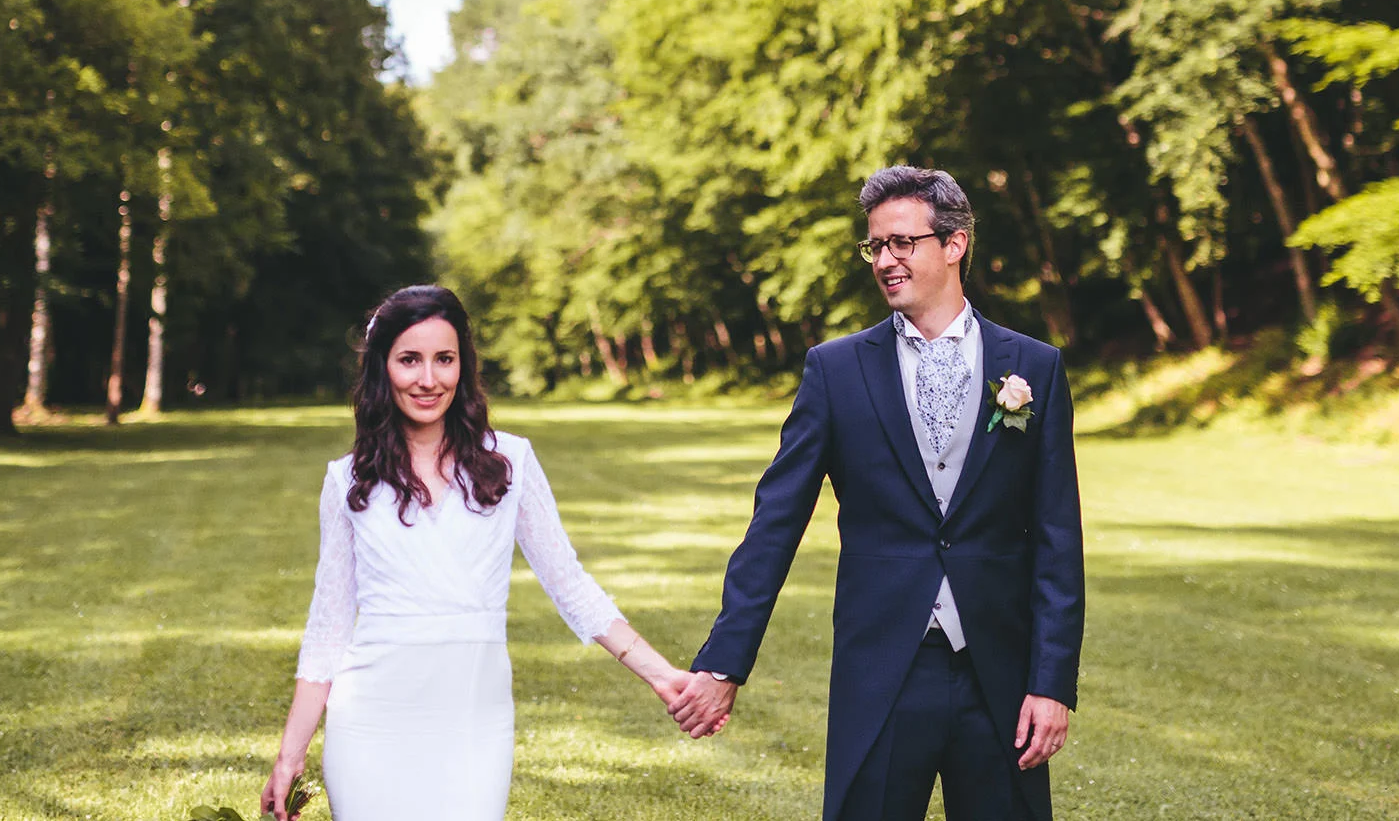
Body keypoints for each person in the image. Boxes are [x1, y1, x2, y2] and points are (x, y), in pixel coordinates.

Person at [669, 165, 1085, 821]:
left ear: (954, 244)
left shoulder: (1033, 368)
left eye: (902, 243)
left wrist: (1052, 682)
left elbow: (1059, 538)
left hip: (1000, 678)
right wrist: (725, 663)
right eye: (875, 247)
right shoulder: (834, 372)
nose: (885, 261)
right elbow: (775, 524)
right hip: (885, 670)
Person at [261, 284, 692, 820]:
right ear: (381, 368)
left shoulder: (510, 462)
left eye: (444, 359)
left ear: (463, 366)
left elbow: (570, 585)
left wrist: (660, 674)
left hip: (474, 723)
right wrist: (289, 756)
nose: (428, 379)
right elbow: (327, 628)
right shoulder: (347, 480)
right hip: (370, 722)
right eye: (409, 360)